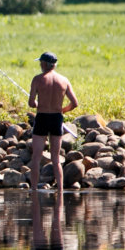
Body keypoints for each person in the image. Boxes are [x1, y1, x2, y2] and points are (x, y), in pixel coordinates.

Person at [28, 52, 78, 191]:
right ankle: (61, 190)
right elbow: (74, 103)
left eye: (40, 63)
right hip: (56, 118)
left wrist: (39, 103)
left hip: (42, 117)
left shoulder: (37, 79)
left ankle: (33, 189)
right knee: (56, 159)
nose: (40, 65)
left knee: (36, 157)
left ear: (44, 64)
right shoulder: (64, 80)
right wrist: (62, 110)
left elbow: (31, 103)